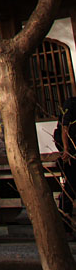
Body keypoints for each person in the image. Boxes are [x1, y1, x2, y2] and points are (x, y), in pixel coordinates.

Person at [57, 96, 76, 236]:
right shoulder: (71, 105)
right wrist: (66, 149)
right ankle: (66, 225)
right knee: (70, 187)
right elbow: (65, 127)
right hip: (71, 153)